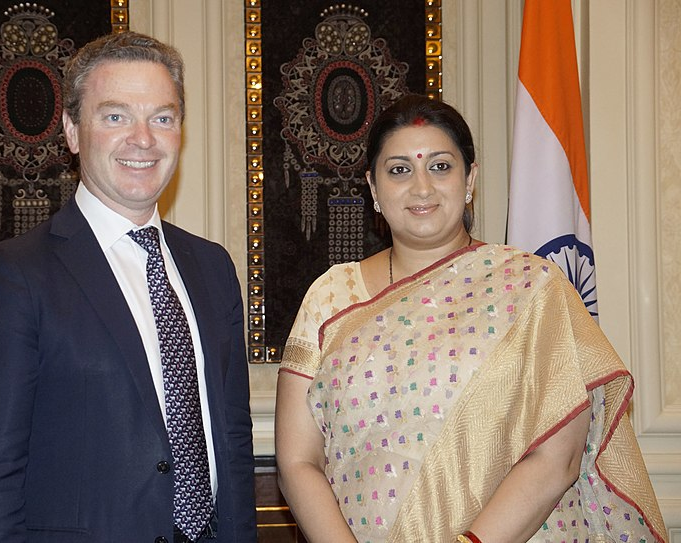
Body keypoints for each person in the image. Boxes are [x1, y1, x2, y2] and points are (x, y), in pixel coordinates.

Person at [274, 94, 667, 543]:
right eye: (399, 169)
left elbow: (558, 456)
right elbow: (297, 461)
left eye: (440, 166)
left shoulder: (533, 287)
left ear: (470, 179)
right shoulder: (330, 296)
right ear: (373, 187)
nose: (421, 187)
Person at [0, 31, 256, 543]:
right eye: (115, 116)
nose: (143, 138)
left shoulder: (212, 267)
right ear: (72, 131)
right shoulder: (10, 276)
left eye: (162, 117)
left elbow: (234, 442)